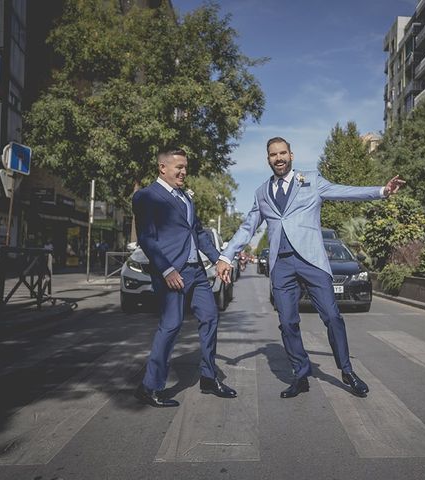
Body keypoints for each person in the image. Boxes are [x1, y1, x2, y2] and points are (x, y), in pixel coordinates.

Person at [217, 137, 405, 398]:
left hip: (312, 261)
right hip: (281, 265)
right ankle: (301, 374)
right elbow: (248, 227)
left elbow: (344, 191)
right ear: (268, 159)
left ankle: (347, 371)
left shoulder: (311, 180)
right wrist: (226, 256)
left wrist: (382, 191)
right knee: (287, 322)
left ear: (291, 155)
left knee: (331, 316)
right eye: (273, 154)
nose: (279, 158)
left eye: (283, 153)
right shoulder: (262, 192)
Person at [132, 148, 237, 408]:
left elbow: (199, 233)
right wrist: (166, 270)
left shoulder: (186, 198)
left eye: (185, 167)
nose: (183, 172)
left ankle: (209, 378)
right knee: (171, 325)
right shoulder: (146, 196)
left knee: (210, 317)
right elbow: (146, 238)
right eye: (178, 167)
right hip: (172, 272)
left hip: (197, 272)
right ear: (162, 168)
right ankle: (150, 386)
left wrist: (220, 259)